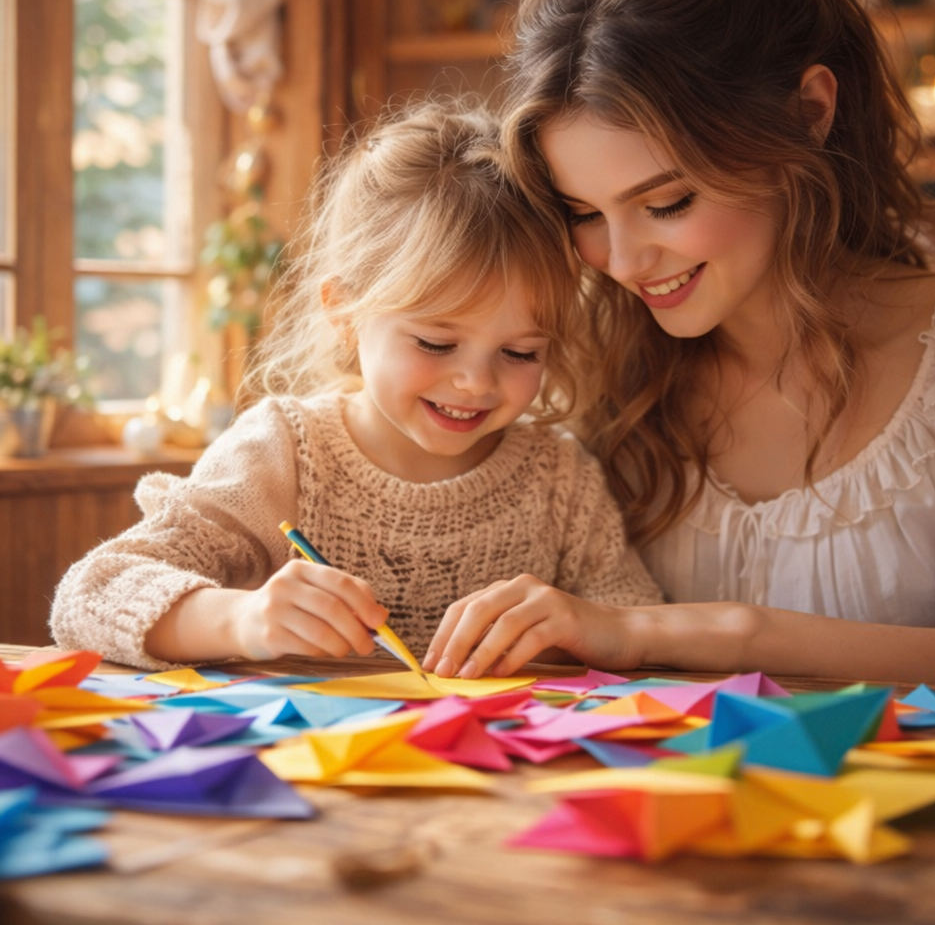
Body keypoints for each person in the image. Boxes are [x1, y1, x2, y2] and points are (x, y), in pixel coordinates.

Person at [421, 0, 935, 688]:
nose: (625, 261)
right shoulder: (593, 367)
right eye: (583, 215)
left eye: (667, 203)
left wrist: (711, 632)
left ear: (808, 113)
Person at [50, 98, 663, 671]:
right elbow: (90, 596)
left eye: (521, 352)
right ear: (344, 312)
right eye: (435, 343)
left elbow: (647, 637)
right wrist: (243, 619)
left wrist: (591, 626)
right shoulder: (284, 453)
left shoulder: (560, 480)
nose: (476, 381)